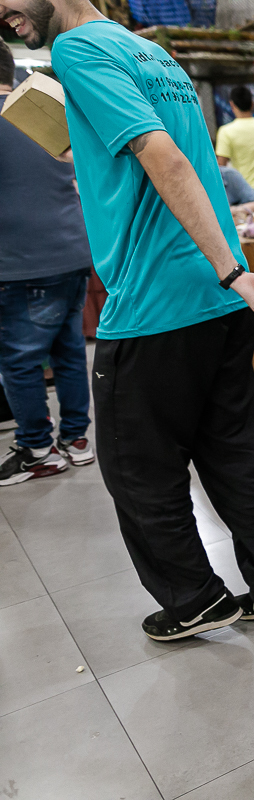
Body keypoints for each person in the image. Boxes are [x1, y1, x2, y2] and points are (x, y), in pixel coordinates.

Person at [9, 0, 254, 640]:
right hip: (216, 304)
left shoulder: (75, 49)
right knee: (234, 459)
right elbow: (147, 156)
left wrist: (232, 269)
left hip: (157, 303)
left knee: (134, 467)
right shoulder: (148, 49)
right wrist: (228, 274)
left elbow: (164, 155)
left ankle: (195, 598)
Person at [0, 40, 94, 485]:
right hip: (72, 249)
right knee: (69, 350)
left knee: (19, 360)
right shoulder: (42, 109)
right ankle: (77, 440)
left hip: (21, 261)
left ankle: (38, 448)